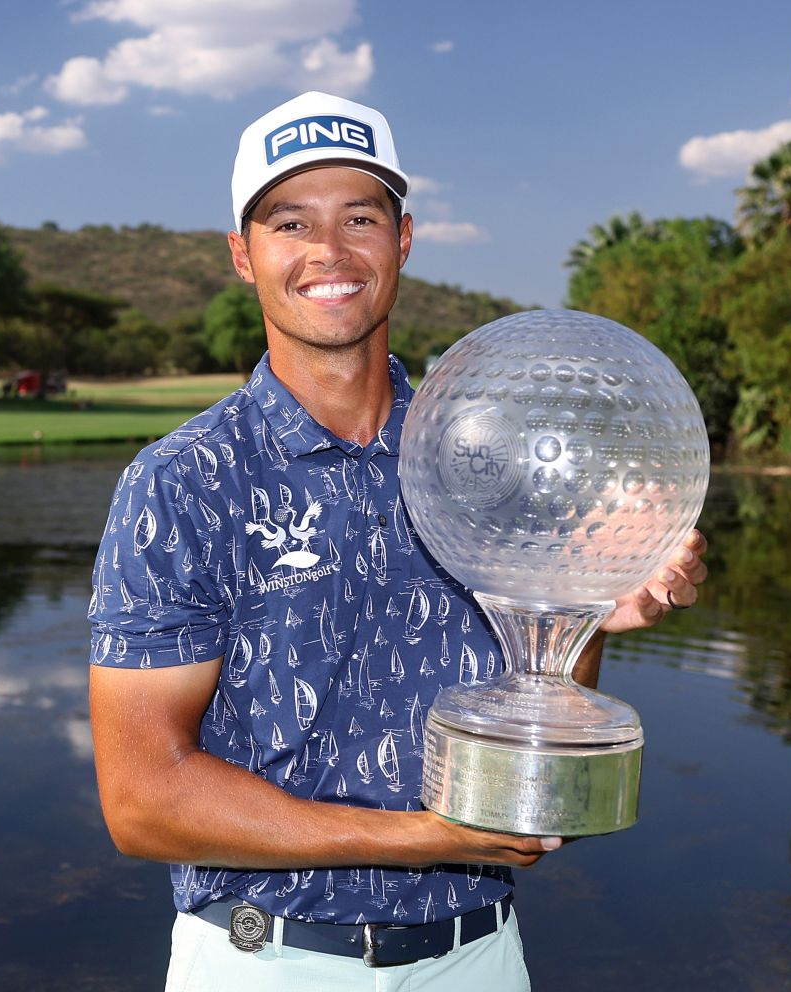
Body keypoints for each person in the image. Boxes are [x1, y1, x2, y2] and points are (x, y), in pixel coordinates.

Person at [87, 91, 710, 991]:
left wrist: (584, 612)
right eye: (290, 222)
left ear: (404, 239)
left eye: (360, 217)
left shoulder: (485, 460)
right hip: (263, 961)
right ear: (243, 256)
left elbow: (539, 720)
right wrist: (425, 839)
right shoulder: (184, 480)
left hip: (477, 955)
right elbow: (143, 801)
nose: (328, 252)